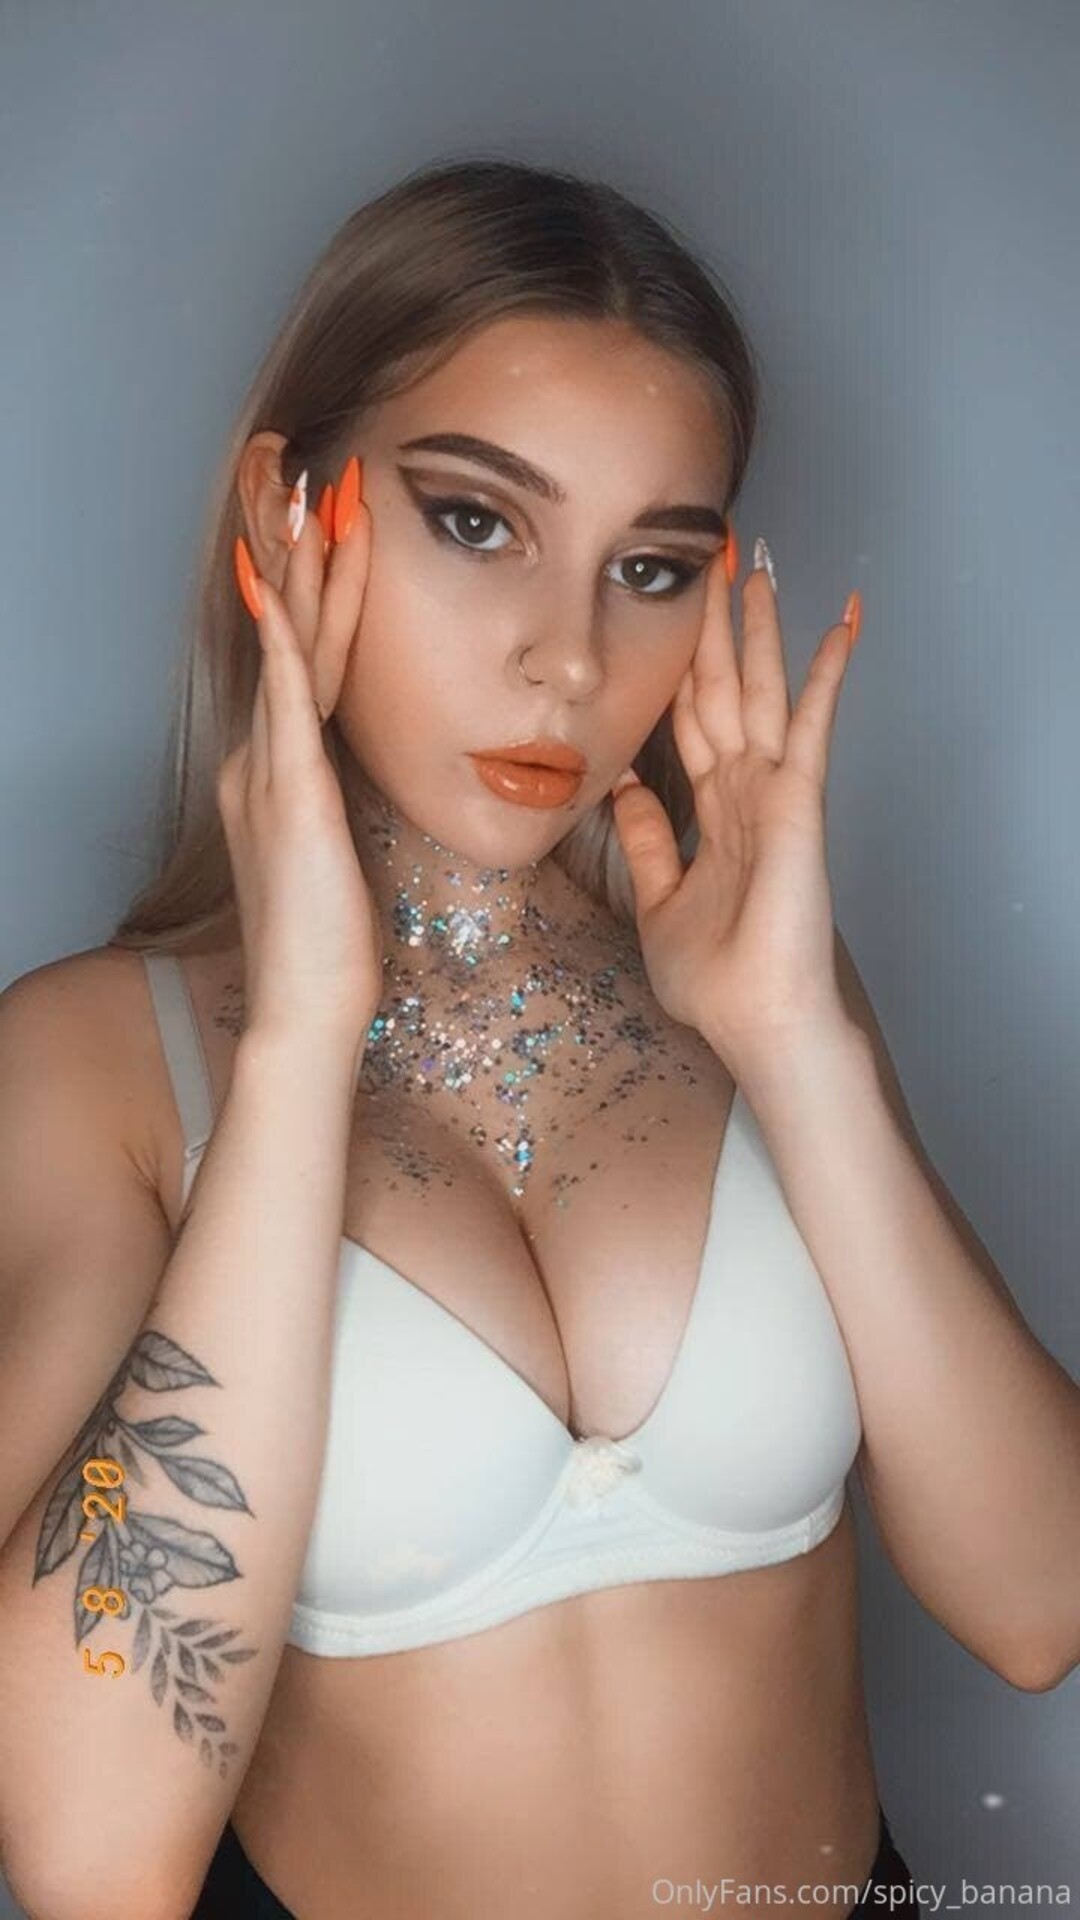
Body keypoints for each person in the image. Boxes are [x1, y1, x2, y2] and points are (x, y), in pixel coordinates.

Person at [1, 155, 1077, 1920]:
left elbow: (1042, 1607)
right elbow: (95, 1862)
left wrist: (799, 1042)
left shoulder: (753, 979)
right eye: (479, 522)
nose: (568, 662)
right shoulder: (95, 1065)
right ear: (288, 509)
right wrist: (299, 1048)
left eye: (650, 567)